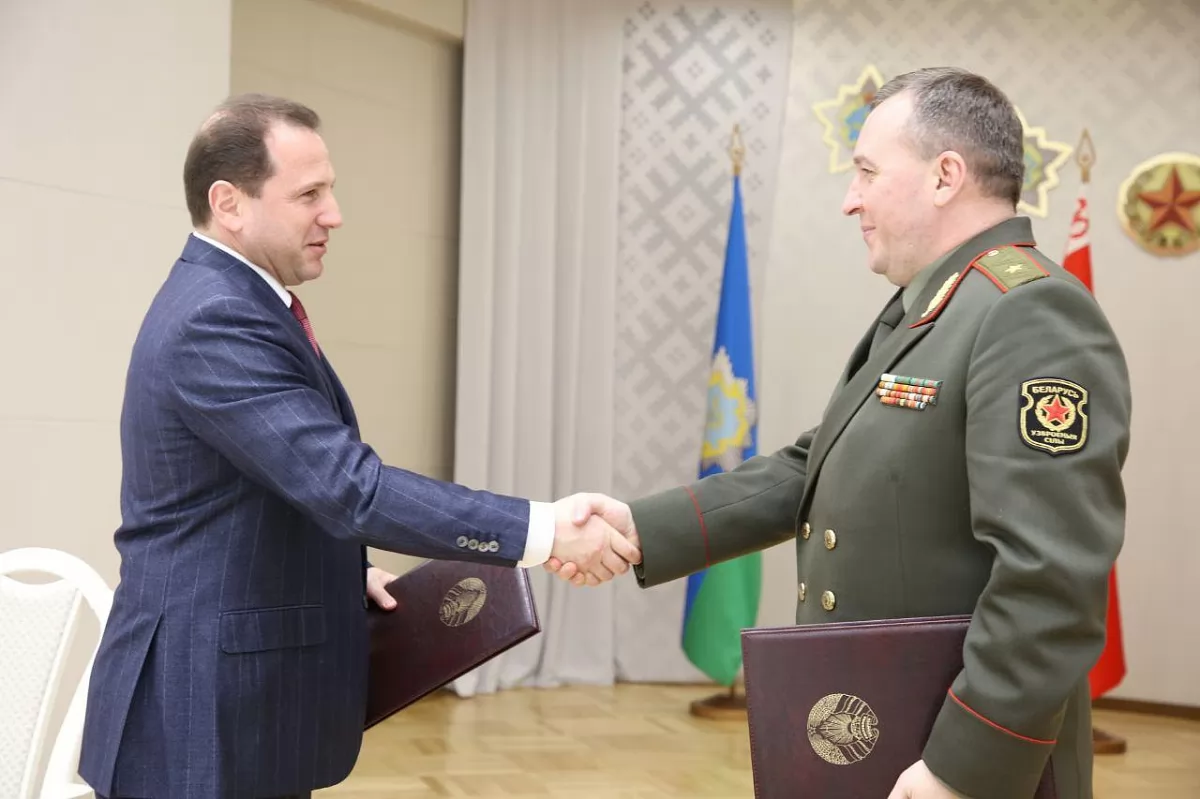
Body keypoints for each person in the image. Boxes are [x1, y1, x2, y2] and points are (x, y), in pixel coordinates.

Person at [550, 67, 1130, 799]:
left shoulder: (1028, 313)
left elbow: (1051, 576)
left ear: (946, 176)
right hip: (885, 723)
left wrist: (965, 767)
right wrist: (640, 527)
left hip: (962, 755)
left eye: (867, 172)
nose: (850, 198)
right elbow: (816, 465)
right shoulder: (934, 306)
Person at [78, 93, 639, 799]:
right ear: (229, 203)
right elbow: (351, 488)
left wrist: (342, 568)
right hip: (198, 710)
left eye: (330, 189)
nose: (334, 214)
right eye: (309, 194)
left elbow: (267, 487)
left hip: (229, 698)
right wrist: (546, 529)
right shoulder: (215, 318)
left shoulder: (236, 301)